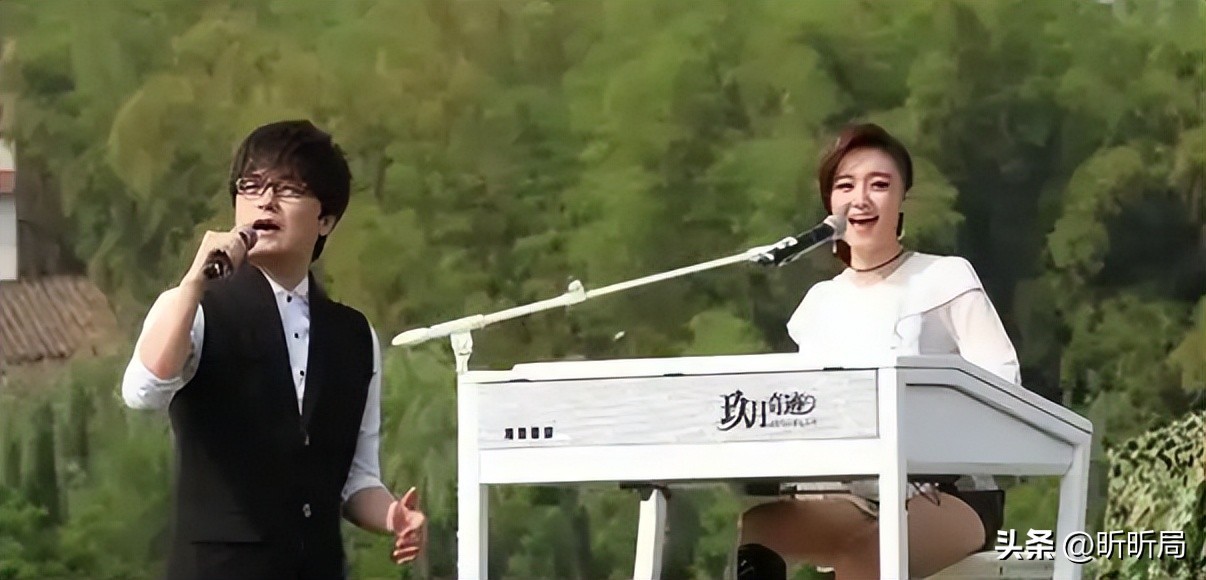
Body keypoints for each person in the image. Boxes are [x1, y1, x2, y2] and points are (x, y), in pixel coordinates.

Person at [121, 120, 426, 580]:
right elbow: (144, 391)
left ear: (326, 219)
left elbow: (355, 477)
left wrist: (393, 517)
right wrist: (193, 284)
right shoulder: (194, 307)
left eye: (288, 189)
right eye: (251, 186)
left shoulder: (353, 334)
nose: (266, 200)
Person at [735, 123, 1018, 580]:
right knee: (760, 528)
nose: (861, 200)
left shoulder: (945, 277)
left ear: (902, 199)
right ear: (829, 204)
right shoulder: (819, 304)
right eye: (845, 186)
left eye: (879, 185)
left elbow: (1003, 380)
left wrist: (930, 438)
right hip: (850, 495)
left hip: (946, 493)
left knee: (866, 558)